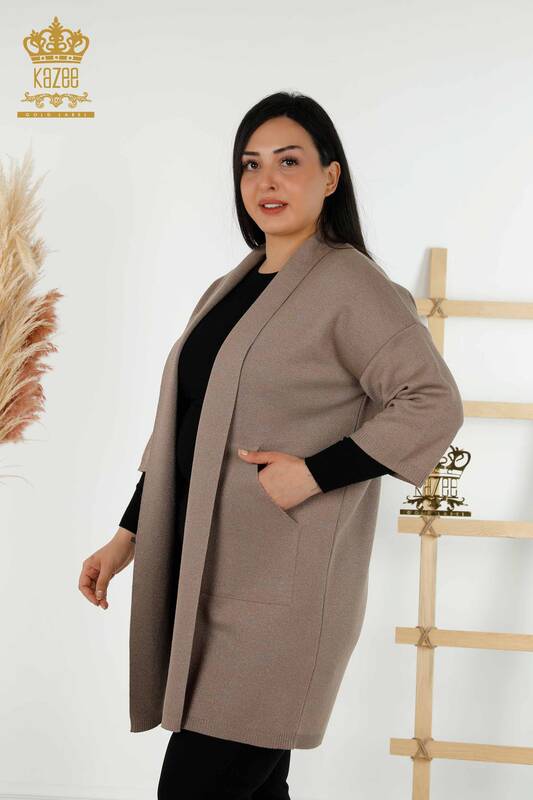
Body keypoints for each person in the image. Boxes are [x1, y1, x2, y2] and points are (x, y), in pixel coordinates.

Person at [78, 91, 463, 799]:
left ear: (330, 176)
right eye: (250, 165)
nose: (266, 181)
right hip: (206, 581)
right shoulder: (228, 287)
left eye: (289, 162)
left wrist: (316, 472)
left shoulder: (351, 285)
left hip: (281, 597)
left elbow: (431, 400)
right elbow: (183, 428)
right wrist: (127, 535)